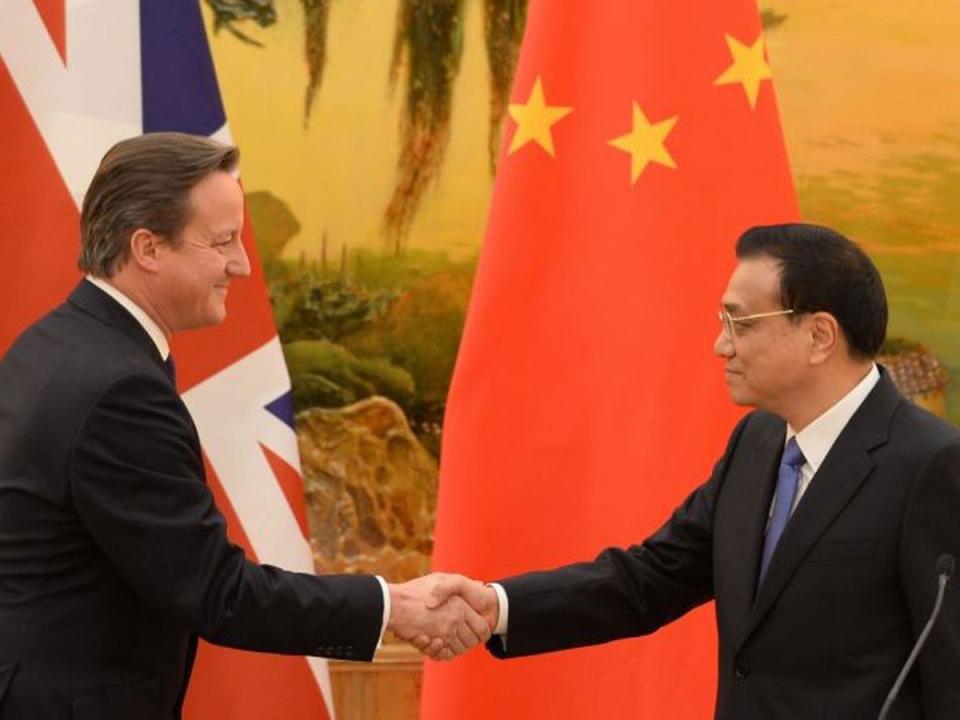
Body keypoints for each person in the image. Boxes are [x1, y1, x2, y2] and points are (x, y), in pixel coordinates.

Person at [0, 132, 489, 719]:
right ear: (148, 247)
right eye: (224, 241)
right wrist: (394, 606)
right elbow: (218, 593)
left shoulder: (57, 345)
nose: (242, 264)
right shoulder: (116, 388)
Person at [427, 224, 960, 718]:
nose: (721, 345)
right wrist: (495, 607)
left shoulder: (930, 464)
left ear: (820, 335)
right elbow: (649, 578)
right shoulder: (757, 443)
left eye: (740, 323)